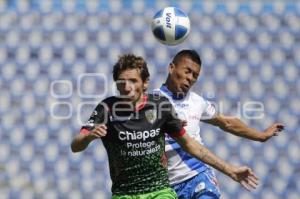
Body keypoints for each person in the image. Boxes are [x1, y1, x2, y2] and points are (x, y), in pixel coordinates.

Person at [71, 54, 259, 199]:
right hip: (124, 193)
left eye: (133, 81)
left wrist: (230, 169)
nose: (127, 87)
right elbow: (75, 145)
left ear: (145, 83)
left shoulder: (160, 106)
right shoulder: (107, 108)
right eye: (122, 82)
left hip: (160, 191)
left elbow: (191, 145)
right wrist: (89, 136)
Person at [153, 49, 284, 198]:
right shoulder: (151, 102)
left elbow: (226, 122)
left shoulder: (197, 102)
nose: (190, 78)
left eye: (195, 75)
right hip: (168, 187)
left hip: (199, 176)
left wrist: (261, 135)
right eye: (187, 71)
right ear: (171, 68)